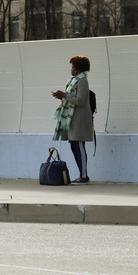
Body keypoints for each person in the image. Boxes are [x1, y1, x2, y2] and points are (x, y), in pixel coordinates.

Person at [51, 56, 93, 184]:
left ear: (78, 69)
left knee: (79, 147)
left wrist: (64, 95)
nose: (71, 69)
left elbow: (79, 100)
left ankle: (84, 176)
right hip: (73, 120)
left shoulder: (82, 81)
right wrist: (62, 97)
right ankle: (82, 174)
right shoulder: (74, 80)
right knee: (74, 146)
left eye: (73, 67)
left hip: (79, 120)